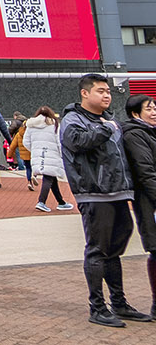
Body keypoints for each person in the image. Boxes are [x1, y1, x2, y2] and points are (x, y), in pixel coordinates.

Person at [62, 72, 149, 326]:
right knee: (98, 250)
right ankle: (97, 308)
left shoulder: (109, 120)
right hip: (95, 193)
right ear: (85, 93)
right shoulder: (73, 119)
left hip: (119, 192)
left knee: (115, 249)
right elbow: (77, 142)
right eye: (100, 91)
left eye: (108, 91)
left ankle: (119, 304)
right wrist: (104, 129)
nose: (107, 95)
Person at [123, 94, 156, 319]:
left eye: (155, 107)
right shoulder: (135, 134)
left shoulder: (151, 132)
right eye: (149, 109)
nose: (154, 112)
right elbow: (146, 173)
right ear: (136, 114)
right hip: (149, 202)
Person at [24, 105, 72, 212]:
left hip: (38, 154)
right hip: (52, 154)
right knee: (49, 177)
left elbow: (26, 142)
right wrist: (61, 154)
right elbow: (59, 142)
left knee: (51, 177)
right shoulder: (54, 125)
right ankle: (41, 201)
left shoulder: (31, 125)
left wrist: (35, 150)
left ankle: (61, 202)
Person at [8, 111, 34, 191]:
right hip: (32, 152)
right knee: (33, 166)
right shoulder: (32, 133)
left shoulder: (19, 134)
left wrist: (9, 154)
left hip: (23, 151)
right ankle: (34, 176)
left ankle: (30, 181)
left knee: (28, 167)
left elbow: (13, 145)